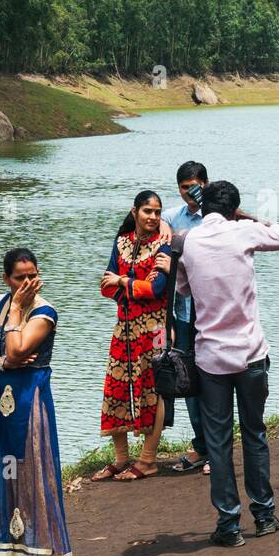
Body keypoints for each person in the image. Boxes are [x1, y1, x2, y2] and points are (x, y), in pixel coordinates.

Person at [177, 180, 279, 547]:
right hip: (250, 354)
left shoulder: (188, 241)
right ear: (234, 208)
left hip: (211, 359)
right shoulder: (243, 231)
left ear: (204, 208)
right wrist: (247, 218)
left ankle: (229, 524)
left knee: (218, 442)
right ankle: (264, 516)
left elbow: (182, 289)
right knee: (255, 434)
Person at [0, 247, 73, 556]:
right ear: (6, 278)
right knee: (4, 478)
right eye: (19, 277)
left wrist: (16, 310)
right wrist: (0, 363)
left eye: (32, 274)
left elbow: (18, 349)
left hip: (28, 408)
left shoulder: (43, 312)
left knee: (28, 479)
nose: (28, 282)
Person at [96, 191, 172, 481]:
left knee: (154, 390)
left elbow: (156, 289)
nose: (152, 217)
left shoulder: (164, 246)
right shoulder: (121, 242)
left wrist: (123, 281)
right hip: (125, 326)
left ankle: (148, 459)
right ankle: (121, 458)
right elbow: (105, 286)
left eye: (157, 212)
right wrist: (133, 286)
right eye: (147, 211)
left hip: (156, 329)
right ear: (134, 211)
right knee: (116, 386)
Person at [162, 161, 210, 475]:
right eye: (184, 187)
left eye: (195, 186)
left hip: (213, 312)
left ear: (206, 184)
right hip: (183, 312)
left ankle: (217, 445)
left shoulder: (219, 215)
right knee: (189, 379)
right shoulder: (170, 218)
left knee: (217, 380)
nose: (189, 193)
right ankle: (202, 446)